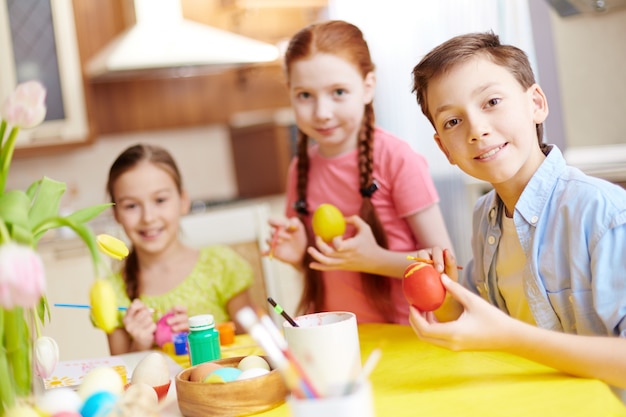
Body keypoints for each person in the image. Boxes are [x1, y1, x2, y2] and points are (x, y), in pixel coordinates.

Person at [409, 31, 626, 399]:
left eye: (491, 101)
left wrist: (513, 338)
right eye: (452, 122)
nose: (477, 129)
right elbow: (485, 331)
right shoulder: (484, 217)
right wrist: (446, 300)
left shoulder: (603, 213)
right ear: (443, 148)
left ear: (536, 103)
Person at [268, 20, 454, 325]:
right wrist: (301, 255)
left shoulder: (396, 158)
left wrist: (375, 260)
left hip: (408, 339)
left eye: (338, 92)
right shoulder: (299, 169)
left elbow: (446, 266)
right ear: (289, 92)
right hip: (336, 339)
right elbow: (331, 270)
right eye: (305, 95)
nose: (322, 112)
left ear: (368, 87)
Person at [104, 143, 253, 354]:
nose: (148, 217)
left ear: (183, 201)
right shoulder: (112, 293)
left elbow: (258, 343)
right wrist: (140, 344)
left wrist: (205, 337)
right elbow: (121, 378)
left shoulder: (220, 265)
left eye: (160, 200)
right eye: (131, 206)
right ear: (116, 214)